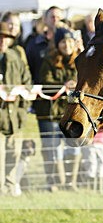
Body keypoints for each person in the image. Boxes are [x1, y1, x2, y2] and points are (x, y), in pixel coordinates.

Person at [34, 27, 81, 190]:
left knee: (73, 148)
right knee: (52, 148)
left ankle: (71, 182)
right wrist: (63, 86)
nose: (66, 45)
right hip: (51, 112)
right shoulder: (49, 60)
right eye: (63, 41)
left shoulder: (81, 61)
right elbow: (45, 82)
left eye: (69, 41)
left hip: (72, 113)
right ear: (57, 43)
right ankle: (54, 182)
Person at [0, 21, 32, 196]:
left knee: (14, 152)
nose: (3, 41)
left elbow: (27, 83)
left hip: (15, 117)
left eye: (6, 38)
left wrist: (22, 107)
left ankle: (10, 186)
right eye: (0, 37)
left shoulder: (16, 57)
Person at [25, 6, 66, 82]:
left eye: (59, 17)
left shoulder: (70, 44)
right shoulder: (34, 43)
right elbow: (28, 70)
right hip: (41, 91)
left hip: (66, 91)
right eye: (52, 17)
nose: (56, 20)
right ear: (45, 20)